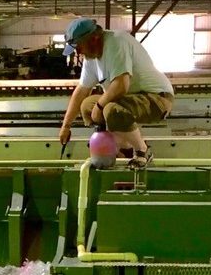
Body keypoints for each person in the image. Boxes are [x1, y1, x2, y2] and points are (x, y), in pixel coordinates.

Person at [57, 17, 174, 169]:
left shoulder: (116, 42)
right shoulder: (90, 58)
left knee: (110, 110)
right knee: (87, 106)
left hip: (156, 97)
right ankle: (115, 149)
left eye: (79, 46)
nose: (78, 52)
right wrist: (66, 126)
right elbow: (81, 91)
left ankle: (142, 151)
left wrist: (99, 107)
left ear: (94, 38)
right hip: (128, 99)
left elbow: (121, 86)